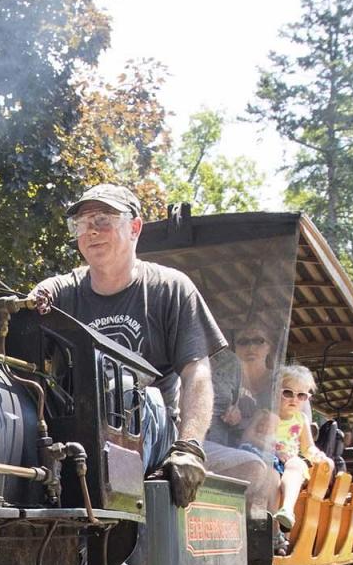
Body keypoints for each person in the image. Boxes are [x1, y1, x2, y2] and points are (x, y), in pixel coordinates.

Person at [30, 183, 277, 516]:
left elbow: (197, 372)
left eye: (102, 220)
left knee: (128, 391)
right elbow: (33, 305)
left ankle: (113, 529)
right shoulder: (63, 291)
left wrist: (189, 447)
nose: (90, 231)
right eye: (82, 224)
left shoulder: (170, 288)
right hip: (78, 429)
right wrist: (31, 302)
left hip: (154, 427)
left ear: (134, 228)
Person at [272, 365, 320, 530]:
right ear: (275, 391)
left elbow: (308, 447)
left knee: (297, 465)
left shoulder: (301, 419)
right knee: (271, 475)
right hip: (268, 458)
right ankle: (271, 527)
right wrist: (274, 451)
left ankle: (287, 509)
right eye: (287, 393)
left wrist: (317, 455)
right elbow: (254, 438)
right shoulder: (267, 415)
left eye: (301, 396)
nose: (294, 399)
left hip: (289, 460)